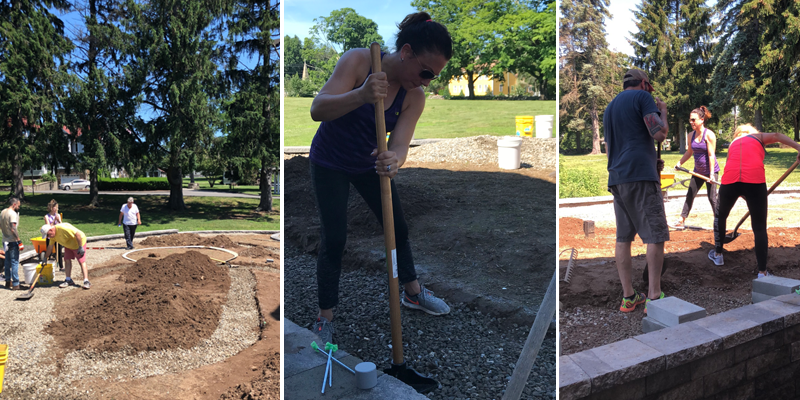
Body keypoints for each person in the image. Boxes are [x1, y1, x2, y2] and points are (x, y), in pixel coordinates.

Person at [307, 12, 452, 343]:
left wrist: (394, 160)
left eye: (435, 76)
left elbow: (400, 144)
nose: (428, 81)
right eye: (426, 71)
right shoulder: (360, 62)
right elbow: (318, 109)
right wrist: (361, 95)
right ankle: (324, 316)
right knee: (335, 237)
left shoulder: (414, 96)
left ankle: (412, 293)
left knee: (397, 227)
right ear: (406, 52)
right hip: (329, 162)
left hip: (369, 165)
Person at [604, 69, 670, 314]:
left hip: (618, 178)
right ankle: (654, 296)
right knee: (655, 235)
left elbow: (612, 149)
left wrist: (649, 161)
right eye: (648, 87)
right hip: (641, 178)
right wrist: (662, 111)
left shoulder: (610, 108)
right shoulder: (643, 99)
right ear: (643, 83)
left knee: (624, 238)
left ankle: (629, 298)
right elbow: (659, 133)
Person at [710, 124, 800, 277]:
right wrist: (798, 147)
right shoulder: (757, 137)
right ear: (753, 132)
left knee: (720, 216)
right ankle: (762, 272)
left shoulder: (733, 143)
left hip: (730, 180)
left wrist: (741, 191)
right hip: (754, 180)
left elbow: (738, 168)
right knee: (759, 227)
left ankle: (718, 255)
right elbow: (777, 135)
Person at [672, 106, 720, 229]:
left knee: (712, 198)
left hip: (711, 171)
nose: (691, 122)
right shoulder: (691, 136)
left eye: (694, 120)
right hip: (698, 171)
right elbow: (689, 152)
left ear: (702, 120)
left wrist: (710, 175)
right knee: (690, 194)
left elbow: (711, 155)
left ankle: (719, 222)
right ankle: (681, 219)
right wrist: (679, 163)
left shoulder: (709, 135)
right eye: (690, 120)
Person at [41, 223, 91, 290]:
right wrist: (45, 258)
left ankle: (86, 281)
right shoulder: (52, 237)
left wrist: (80, 247)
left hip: (78, 243)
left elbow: (77, 234)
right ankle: (68, 280)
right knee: (67, 260)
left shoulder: (63, 228)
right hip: (68, 245)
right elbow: (50, 247)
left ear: (51, 230)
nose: (48, 237)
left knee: (81, 261)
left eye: (48, 235)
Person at [1, 198, 23, 290]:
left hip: (5, 240)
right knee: (14, 262)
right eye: (18, 206)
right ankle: (16, 284)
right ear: (14, 205)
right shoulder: (12, 214)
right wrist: (18, 240)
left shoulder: (2, 212)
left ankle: (7, 281)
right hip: (12, 241)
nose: (18, 207)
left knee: (7, 261)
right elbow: (13, 228)